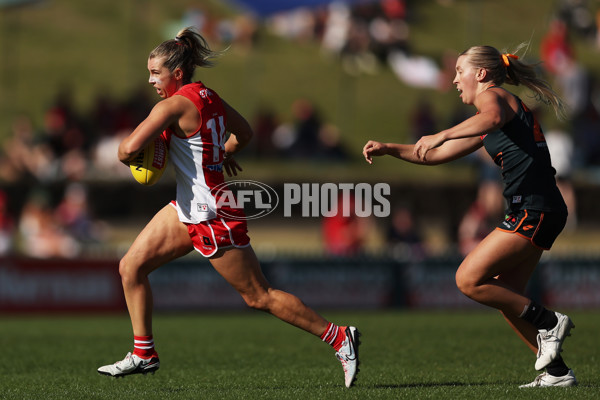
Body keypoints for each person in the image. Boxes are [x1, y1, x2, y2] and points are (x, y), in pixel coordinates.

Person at [97, 27, 360, 388]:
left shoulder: (171, 106)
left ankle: (339, 337)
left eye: (155, 73)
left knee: (258, 296)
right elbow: (246, 133)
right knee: (131, 267)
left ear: (176, 73)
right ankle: (144, 354)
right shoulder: (207, 95)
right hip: (190, 205)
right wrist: (221, 154)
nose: (150, 80)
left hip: (211, 212)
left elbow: (126, 150)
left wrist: (154, 146)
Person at [363, 45, 576, 388]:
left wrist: (443, 131)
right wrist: (391, 149)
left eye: (460, 71)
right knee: (508, 295)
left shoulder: (494, 99)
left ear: (481, 74)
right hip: (540, 208)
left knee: (468, 279)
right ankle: (557, 374)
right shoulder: (491, 114)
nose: (454, 79)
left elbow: (483, 121)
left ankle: (549, 322)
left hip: (534, 208)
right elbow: (437, 155)